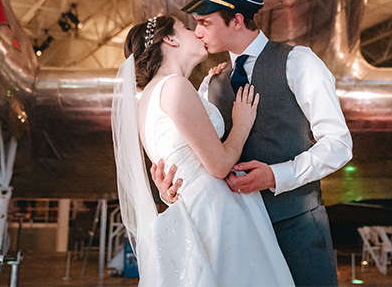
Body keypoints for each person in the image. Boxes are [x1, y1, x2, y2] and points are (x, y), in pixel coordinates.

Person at [152, 0, 353, 286]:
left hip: (296, 228)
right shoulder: (209, 83)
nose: (197, 31)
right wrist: (173, 189)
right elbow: (202, 157)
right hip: (234, 237)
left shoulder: (298, 62)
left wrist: (277, 175)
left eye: (205, 23)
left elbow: (339, 144)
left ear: (236, 20)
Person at [112, 14, 293, 286]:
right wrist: (241, 124)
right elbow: (219, 165)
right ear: (170, 39)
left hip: (194, 209)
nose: (196, 32)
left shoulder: (148, 99)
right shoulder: (174, 87)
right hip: (218, 212)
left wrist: (207, 88)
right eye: (185, 28)